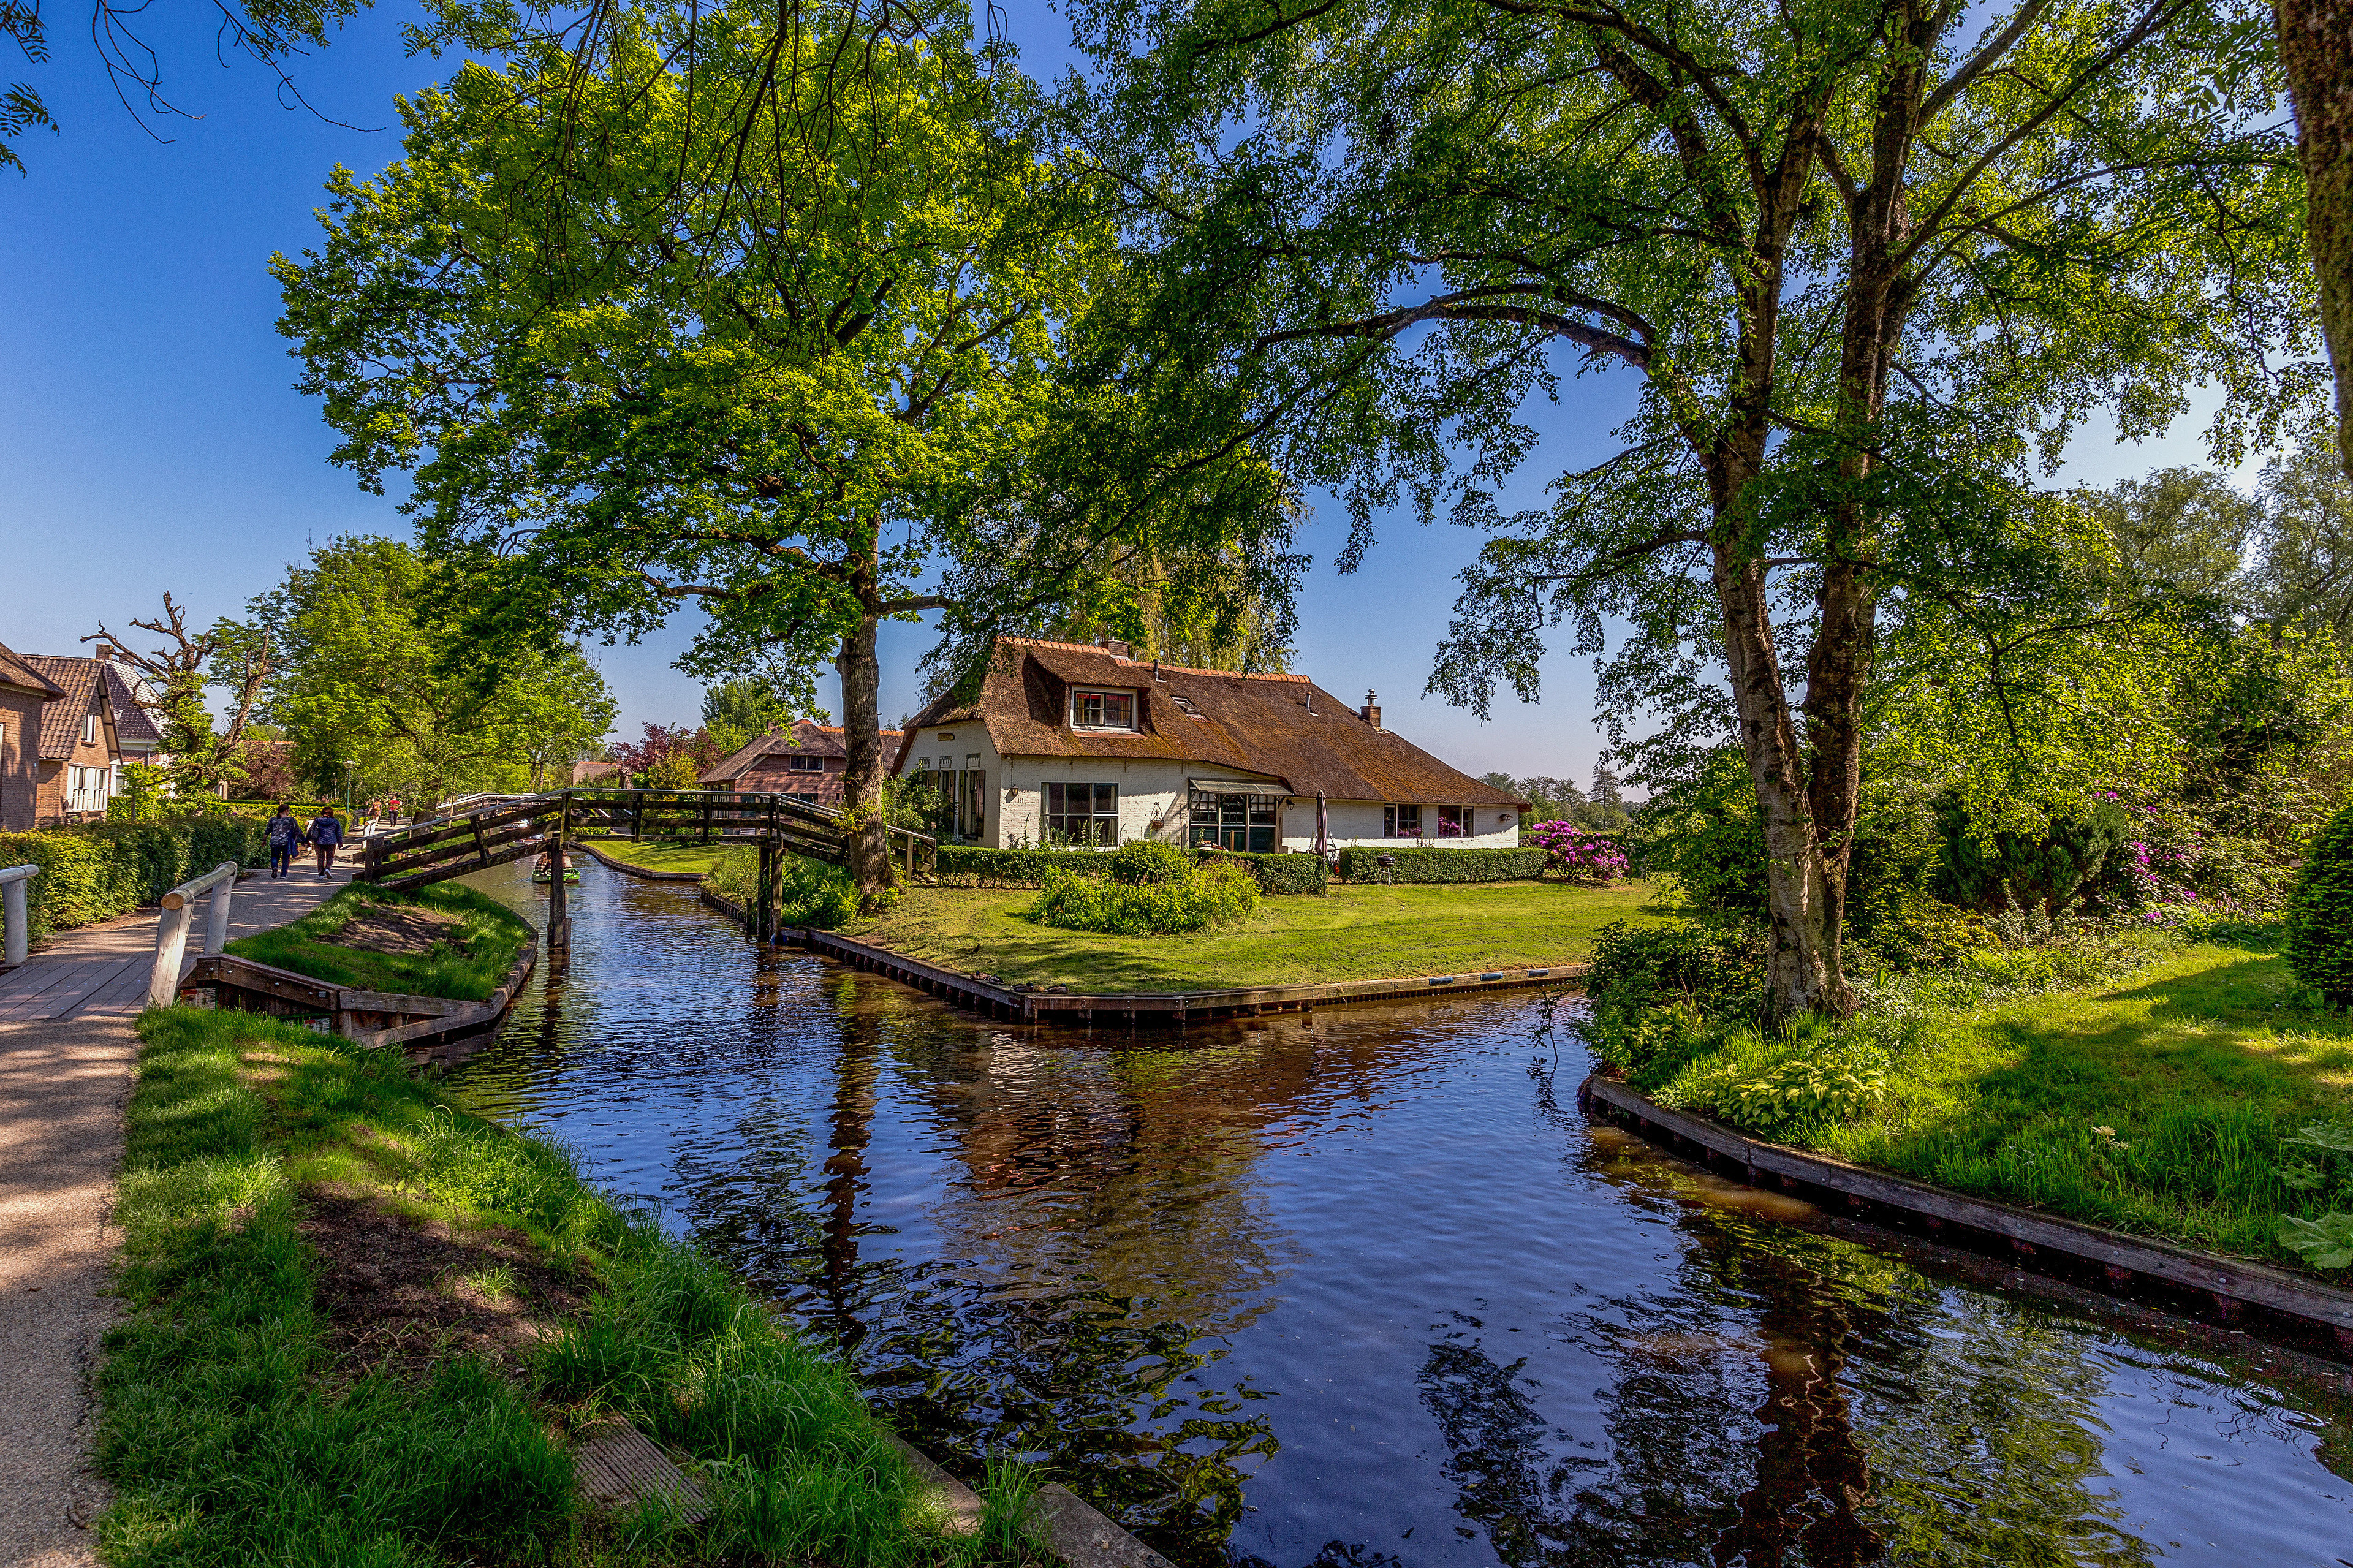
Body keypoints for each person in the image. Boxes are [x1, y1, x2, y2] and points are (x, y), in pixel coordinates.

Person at [306, 805, 345, 877]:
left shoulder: (317, 821)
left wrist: (307, 840)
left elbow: (311, 831)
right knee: (330, 857)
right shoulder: (335, 822)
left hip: (319, 842)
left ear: (322, 813)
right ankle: (328, 869)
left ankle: (321, 874)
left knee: (320, 858)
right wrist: (340, 843)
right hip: (332, 842)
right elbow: (339, 833)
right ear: (331, 813)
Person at [265, 805, 301, 879]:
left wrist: (264, 840)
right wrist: (302, 840)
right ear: (286, 811)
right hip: (286, 842)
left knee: (274, 856)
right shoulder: (291, 819)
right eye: (289, 810)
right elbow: (297, 830)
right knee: (286, 858)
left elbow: (267, 831)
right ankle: (283, 875)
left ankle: (275, 868)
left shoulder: (273, 820)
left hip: (274, 841)